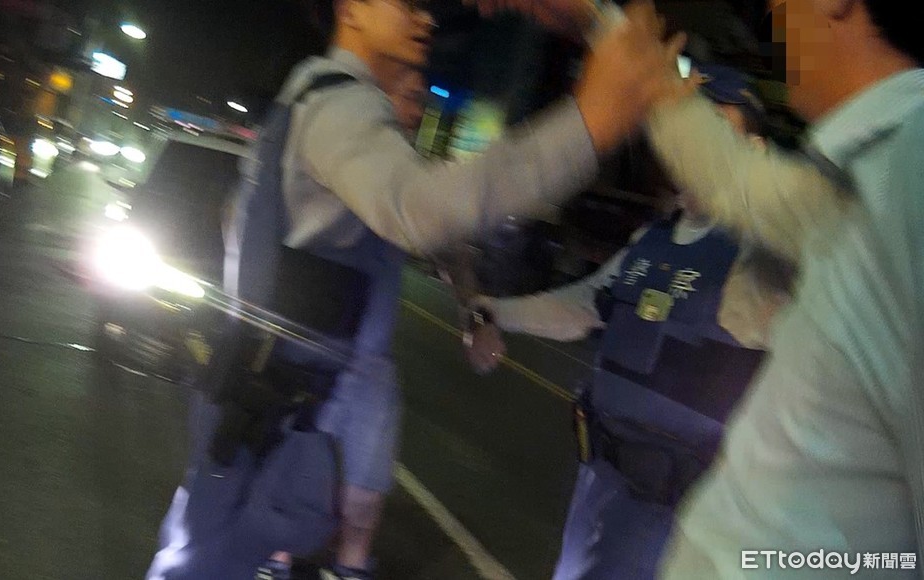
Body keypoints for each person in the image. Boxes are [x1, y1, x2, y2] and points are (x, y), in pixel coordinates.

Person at [146, 1, 683, 579]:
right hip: (275, 403)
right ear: (351, 9)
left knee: (237, 543)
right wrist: (591, 120)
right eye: (406, 4)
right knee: (209, 560)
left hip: (276, 396)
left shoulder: (310, 99)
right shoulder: (338, 104)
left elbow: (422, 232)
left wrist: (474, 306)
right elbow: (418, 210)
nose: (426, 19)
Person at [464, 65, 787, 580]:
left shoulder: (761, 256)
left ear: (754, 151)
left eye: (717, 134)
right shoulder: (651, 242)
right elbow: (585, 305)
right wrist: (496, 311)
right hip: (602, 485)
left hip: (679, 516)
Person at [641, 0, 924, 576]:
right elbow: (731, 179)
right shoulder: (872, 171)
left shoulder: (909, 173)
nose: (773, 10)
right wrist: (601, 25)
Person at [259, 65, 431, 580]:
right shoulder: (338, 154)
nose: (416, 111)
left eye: (421, 102)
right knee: (288, 491)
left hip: (370, 370)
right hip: (308, 354)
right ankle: (274, 566)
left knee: (362, 504)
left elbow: (448, 240)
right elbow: (247, 217)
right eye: (407, 96)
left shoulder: (406, 176)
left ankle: (348, 569)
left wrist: (474, 305)